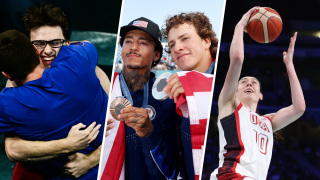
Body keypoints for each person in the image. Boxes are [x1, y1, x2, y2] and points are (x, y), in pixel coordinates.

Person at [4, 4, 111, 179]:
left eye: (55, 43)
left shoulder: (87, 68)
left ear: (67, 43)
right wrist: (68, 144)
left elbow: (118, 122)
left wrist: (89, 161)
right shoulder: (15, 85)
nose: (47, 51)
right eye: (38, 43)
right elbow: (12, 148)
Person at [210, 7, 305, 180]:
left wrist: (289, 64)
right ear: (235, 91)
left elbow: (299, 108)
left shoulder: (268, 122)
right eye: (243, 81)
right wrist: (240, 26)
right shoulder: (229, 105)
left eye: (254, 82)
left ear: (261, 95)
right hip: (230, 174)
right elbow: (237, 58)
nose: (249, 84)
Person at [99, 17, 181, 180]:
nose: (133, 47)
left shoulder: (168, 100)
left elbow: (170, 172)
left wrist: (149, 134)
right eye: (128, 41)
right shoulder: (105, 88)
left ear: (157, 54)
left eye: (143, 43)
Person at [161, 12, 217, 180]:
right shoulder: (175, 89)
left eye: (185, 38)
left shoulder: (226, 79)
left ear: (206, 41)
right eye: (172, 44)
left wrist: (199, 86)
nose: (177, 48)